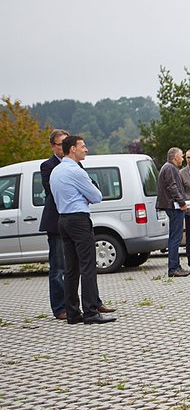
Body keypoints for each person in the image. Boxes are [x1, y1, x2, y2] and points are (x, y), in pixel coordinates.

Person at [50, 135, 115, 324]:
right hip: (78, 220)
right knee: (87, 266)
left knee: (70, 268)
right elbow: (96, 196)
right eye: (83, 146)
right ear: (72, 149)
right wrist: (84, 196)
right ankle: (91, 312)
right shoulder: (76, 171)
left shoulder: (56, 171)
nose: (86, 149)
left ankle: (72, 313)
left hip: (63, 220)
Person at [39, 129, 70, 318]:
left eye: (68, 143)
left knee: (80, 265)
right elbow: (54, 190)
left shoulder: (75, 164)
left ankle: (91, 302)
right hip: (56, 221)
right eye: (61, 144)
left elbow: (91, 185)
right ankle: (59, 307)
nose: (66, 148)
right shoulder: (47, 166)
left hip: (74, 220)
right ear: (53, 146)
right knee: (58, 267)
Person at [157, 147, 190, 277]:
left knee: (175, 237)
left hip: (171, 205)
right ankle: (173, 268)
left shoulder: (168, 168)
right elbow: (172, 187)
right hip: (173, 207)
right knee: (175, 239)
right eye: (181, 156)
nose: (183, 158)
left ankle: (176, 266)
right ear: (175, 157)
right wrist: (182, 203)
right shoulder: (170, 168)